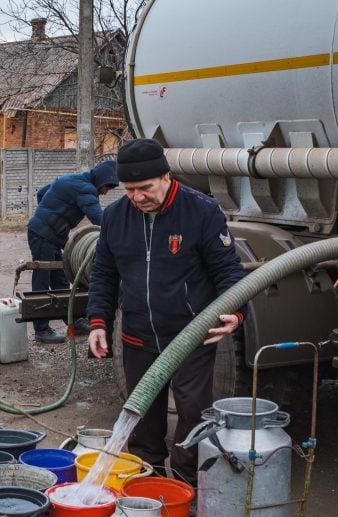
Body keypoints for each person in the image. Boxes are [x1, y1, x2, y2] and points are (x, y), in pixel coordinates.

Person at [86, 139, 247, 487]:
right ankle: (148, 480)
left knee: (192, 413)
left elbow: (228, 271)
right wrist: (98, 321)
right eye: (129, 190)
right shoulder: (115, 217)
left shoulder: (201, 211)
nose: (138, 197)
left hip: (190, 335)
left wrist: (236, 311)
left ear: (166, 177)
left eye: (145, 188)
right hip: (138, 336)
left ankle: (187, 487)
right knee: (143, 414)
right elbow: (104, 274)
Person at [28, 159, 119, 343]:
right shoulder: (86, 189)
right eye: (107, 187)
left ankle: (74, 322)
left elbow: (42, 193)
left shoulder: (69, 179)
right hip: (44, 235)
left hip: (47, 234)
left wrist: (49, 214)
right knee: (42, 280)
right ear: (102, 181)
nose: (106, 192)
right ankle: (41, 330)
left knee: (60, 279)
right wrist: (121, 230)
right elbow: (98, 219)